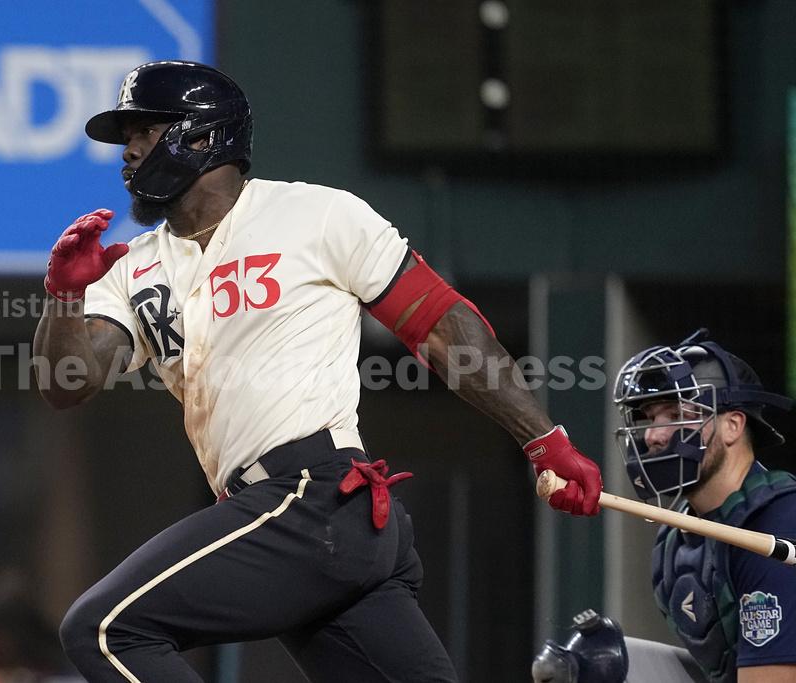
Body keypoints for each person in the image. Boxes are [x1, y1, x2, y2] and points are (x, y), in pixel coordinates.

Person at [34, 60, 603, 682]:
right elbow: (68, 383)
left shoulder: (315, 214)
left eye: (145, 130)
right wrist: (65, 296)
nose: (128, 151)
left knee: (104, 629)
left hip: (313, 496)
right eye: (126, 137)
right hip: (293, 522)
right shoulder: (131, 265)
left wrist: (544, 440)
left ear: (203, 135)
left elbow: (441, 325)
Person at [613, 330, 796, 683]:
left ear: (732, 426)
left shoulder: (777, 522)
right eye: (651, 417)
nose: (654, 435)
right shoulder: (678, 538)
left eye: (676, 414)